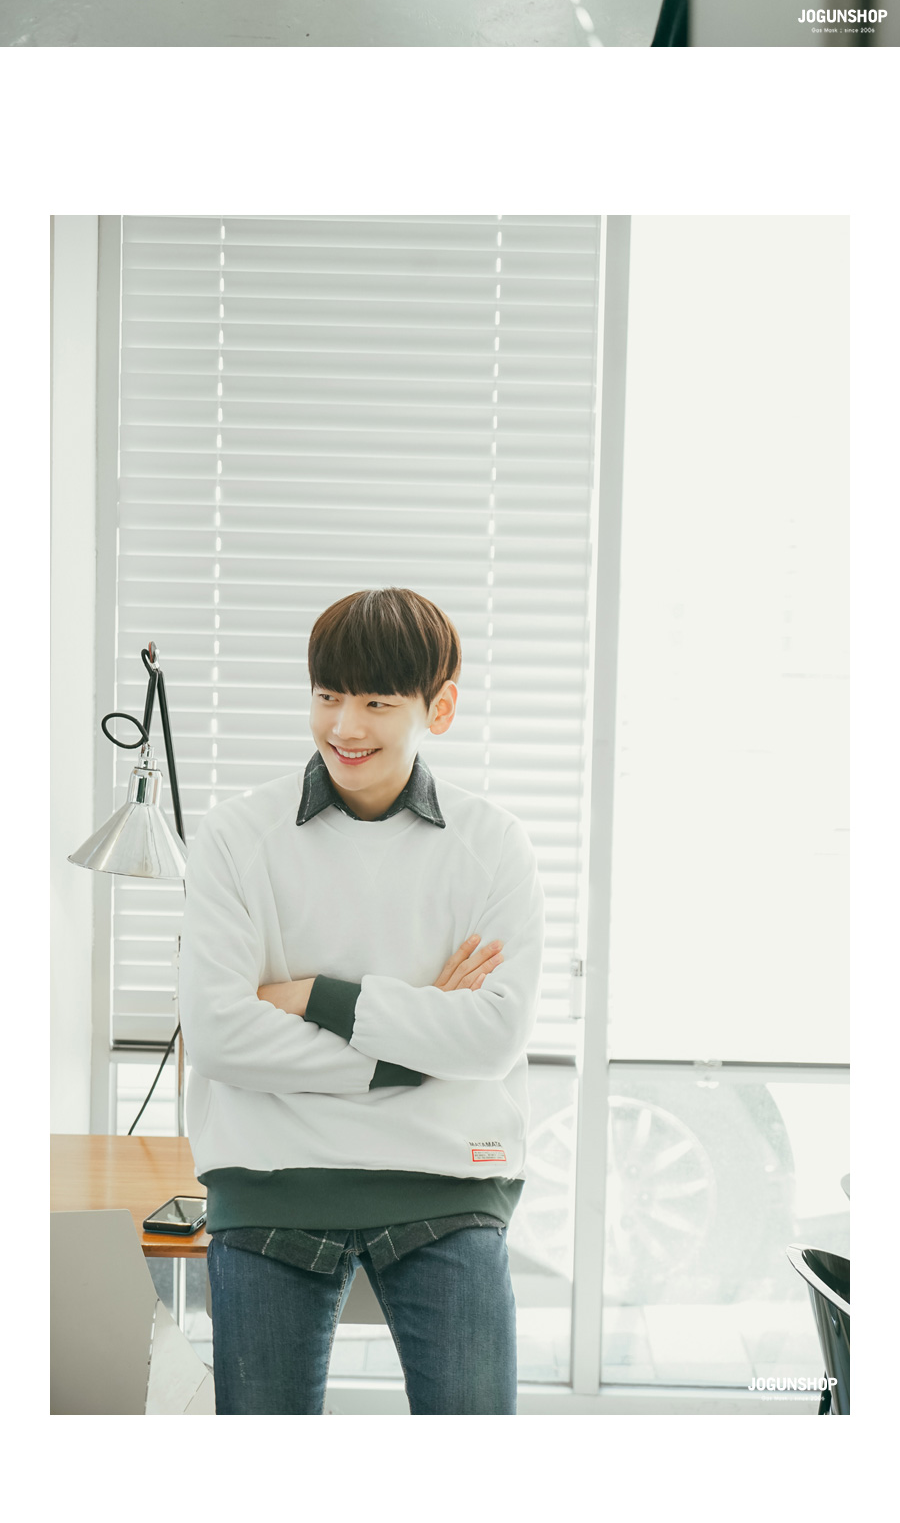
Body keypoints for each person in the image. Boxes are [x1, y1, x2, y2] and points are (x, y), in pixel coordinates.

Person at [178, 582, 544, 1416]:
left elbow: (492, 1037)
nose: (345, 726)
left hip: (447, 1181)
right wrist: (410, 1054)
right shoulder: (237, 836)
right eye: (327, 696)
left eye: (377, 702)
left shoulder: (495, 845)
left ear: (438, 707)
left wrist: (316, 995)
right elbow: (220, 1034)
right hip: (270, 1179)